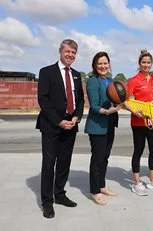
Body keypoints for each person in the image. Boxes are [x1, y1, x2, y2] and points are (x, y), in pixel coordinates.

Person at [36, 39, 84, 218]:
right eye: (68, 51)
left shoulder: (77, 75)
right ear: (60, 51)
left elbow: (80, 100)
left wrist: (76, 117)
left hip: (70, 125)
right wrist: (58, 122)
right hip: (51, 126)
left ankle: (60, 194)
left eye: (73, 52)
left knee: (64, 163)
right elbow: (43, 100)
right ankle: (47, 202)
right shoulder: (46, 72)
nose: (70, 55)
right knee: (49, 164)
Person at [124, 50, 153, 196]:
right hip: (138, 122)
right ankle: (136, 183)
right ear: (139, 64)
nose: (146, 65)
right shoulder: (133, 80)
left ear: (151, 64)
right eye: (144, 62)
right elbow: (125, 100)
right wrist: (134, 111)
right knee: (138, 151)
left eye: (148, 62)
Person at [84, 52, 122, 205]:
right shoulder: (93, 81)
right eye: (99, 63)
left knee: (105, 158)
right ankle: (95, 191)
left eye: (105, 63)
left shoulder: (111, 81)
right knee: (97, 159)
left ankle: (102, 185)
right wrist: (107, 111)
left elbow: (120, 98)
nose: (103, 66)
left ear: (109, 64)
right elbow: (93, 106)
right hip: (98, 125)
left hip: (110, 124)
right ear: (95, 65)